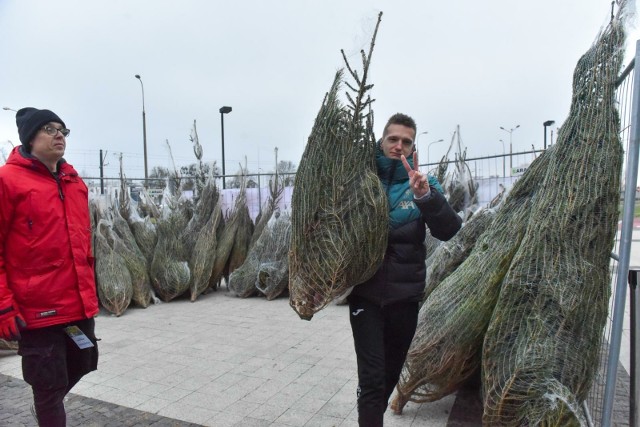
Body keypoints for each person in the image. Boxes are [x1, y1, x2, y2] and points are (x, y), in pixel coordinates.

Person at [347, 113, 462, 426]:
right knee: (372, 380)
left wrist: (424, 197)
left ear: (413, 148)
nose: (398, 145)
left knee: (386, 378)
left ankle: (370, 408)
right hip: (365, 298)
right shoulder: (360, 181)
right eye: (393, 139)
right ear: (382, 141)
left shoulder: (423, 184)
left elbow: (450, 229)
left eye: (406, 141)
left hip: (405, 300)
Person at [0, 107, 99, 426]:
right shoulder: (7, 181)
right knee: (47, 383)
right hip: (36, 310)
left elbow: (83, 243)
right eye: (49, 129)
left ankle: (47, 404)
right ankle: (48, 409)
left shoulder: (74, 183)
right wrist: (3, 307)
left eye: (63, 130)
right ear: (30, 138)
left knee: (84, 361)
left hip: (76, 304)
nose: (59, 135)